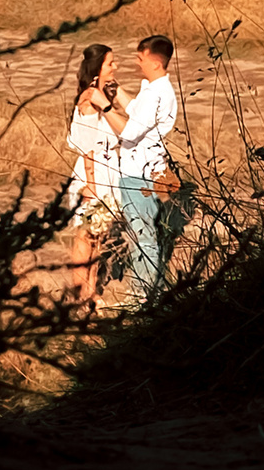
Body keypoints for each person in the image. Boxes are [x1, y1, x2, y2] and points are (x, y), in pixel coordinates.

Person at [110, 34, 180, 308]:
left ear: (153, 61)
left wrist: (105, 107)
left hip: (139, 173)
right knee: (144, 233)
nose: (137, 64)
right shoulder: (156, 91)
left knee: (143, 236)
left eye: (140, 59)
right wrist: (116, 92)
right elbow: (136, 111)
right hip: (142, 171)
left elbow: (129, 129)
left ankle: (142, 296)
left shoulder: (158, 94)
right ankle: (147, 290)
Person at [61, 43, 122, 305]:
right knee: (85, 238)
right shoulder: (89, 102)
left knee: (97, 237)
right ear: (97, 69)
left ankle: (90, 290)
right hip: (92, 180)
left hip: (105, 178)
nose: (115, 67)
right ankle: (81, 292)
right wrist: (93, 188)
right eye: (110, 63)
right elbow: (88, 150)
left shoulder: (100, 98)